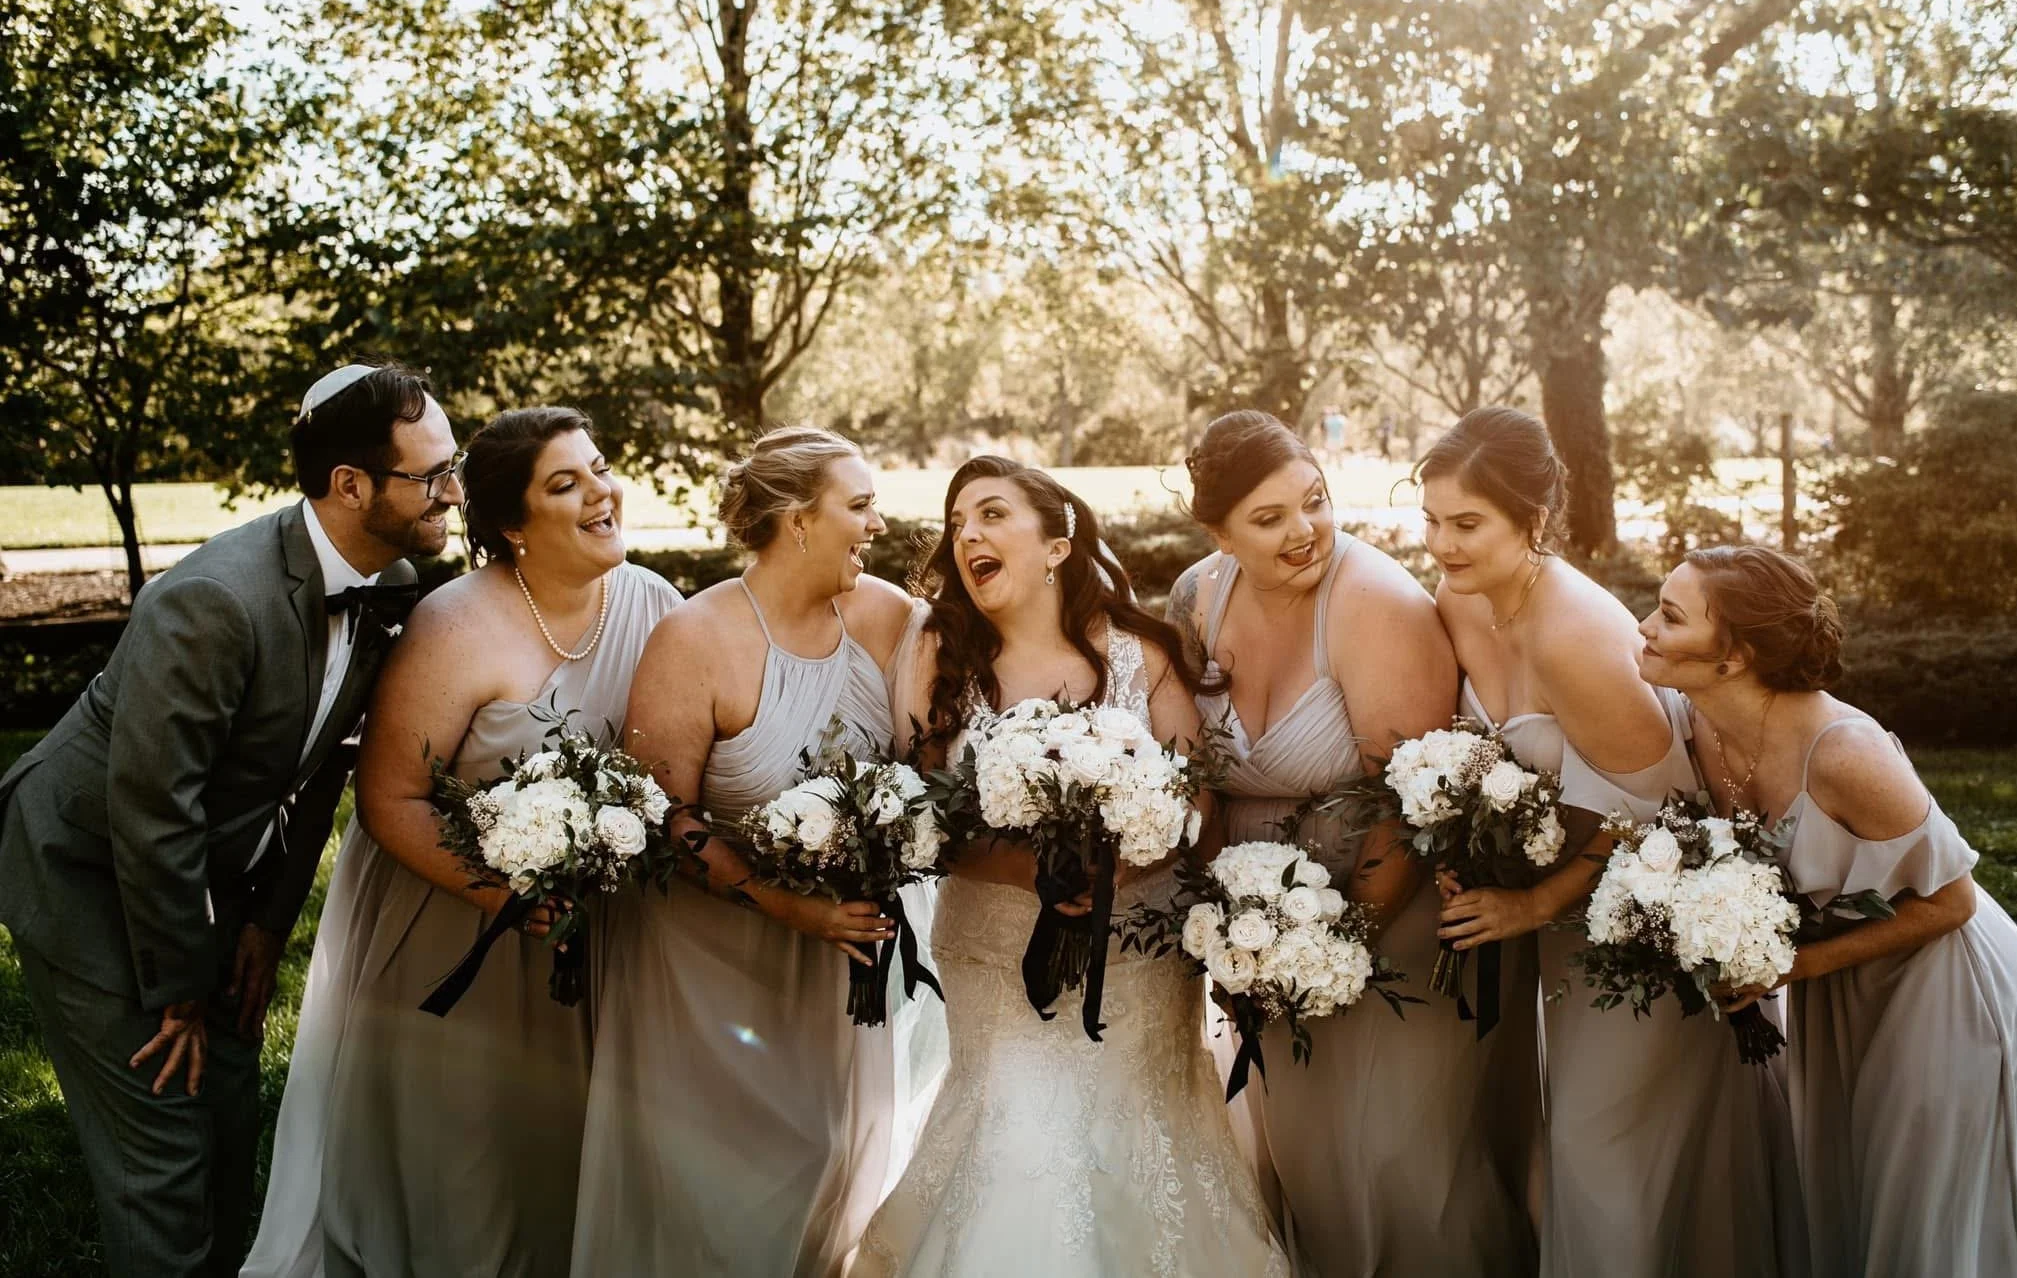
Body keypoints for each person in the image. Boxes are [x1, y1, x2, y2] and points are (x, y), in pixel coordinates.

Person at [0, 363, 449, 1277]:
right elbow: (153, 809)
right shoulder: (211, 602)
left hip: (208, 869)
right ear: (352, 486)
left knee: (231, 1113)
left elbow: (319, 779)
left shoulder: (390, 580)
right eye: (433, 475)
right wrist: (179, 991)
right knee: (163, 1133)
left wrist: (260, 928)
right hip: (83, 858)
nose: (455, 491)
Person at [852, 456, 1287, 1278]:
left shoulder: (1141, 654)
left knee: (1142, 1133)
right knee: (1017, 1132)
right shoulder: (941, 657)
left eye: (990, 515)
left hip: (1137, 960)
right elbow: (922, 815)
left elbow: (1196, 807)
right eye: (956, 526)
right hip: (993, 950)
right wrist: (1031, 874)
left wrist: (1118, 867)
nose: (968, 535)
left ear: (1057, 544)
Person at [289, 407, 681, 1277]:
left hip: (605, 943)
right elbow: (388, 798)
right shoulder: (454, 624)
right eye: (564, 484)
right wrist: (507, 895)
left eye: (600, 466)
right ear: (512, 523)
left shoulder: (656, 604)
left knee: (575, 1159)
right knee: (469, 1172)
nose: (599, 493)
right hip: (460, 934)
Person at [1422, 407, 1797, 1277]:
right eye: (1432, 520)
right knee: (1582, 1142)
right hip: (1568, 920)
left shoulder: (1575, 636)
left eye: (1467, 524)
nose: (1442, 545)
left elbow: (1664, 818)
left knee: (1605, 1147)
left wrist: (1534, 901)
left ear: (1536, 522)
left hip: (1646, 923)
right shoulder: (1460, 595)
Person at [1169, 410, 1532, 1277]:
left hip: (1389, 908)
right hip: (1260, 918)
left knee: (1399, 1160)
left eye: (1315, 502)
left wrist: (1331, 948)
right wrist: (1234, 928)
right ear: (1218, 533)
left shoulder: (1377, 605)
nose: (1305, 532)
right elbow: (1195, 772)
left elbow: (1410, 807)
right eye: (1269, 519)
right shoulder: (1196, 595)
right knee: (1296, 1148)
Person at [1642, 545, 2017, 1278]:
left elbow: (1951, 902)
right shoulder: (1692, 722)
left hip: (1945, 984)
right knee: (1842, 1193)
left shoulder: (1845, 753)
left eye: (1669, 616)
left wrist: (1785, 969)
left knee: (1921, 1209)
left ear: (1735, 656)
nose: (1644, 627)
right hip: (1845, 981)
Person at [571, 427, 915, 1277]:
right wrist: (788, 903)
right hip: (714, 959)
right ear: (798, 520)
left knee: (835, 1168)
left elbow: (942, 754)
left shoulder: (887, 615)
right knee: (723, 1189)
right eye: (860, 505)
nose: (877, 524)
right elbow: (665, 813)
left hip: (848, 959)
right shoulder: (696, 637)